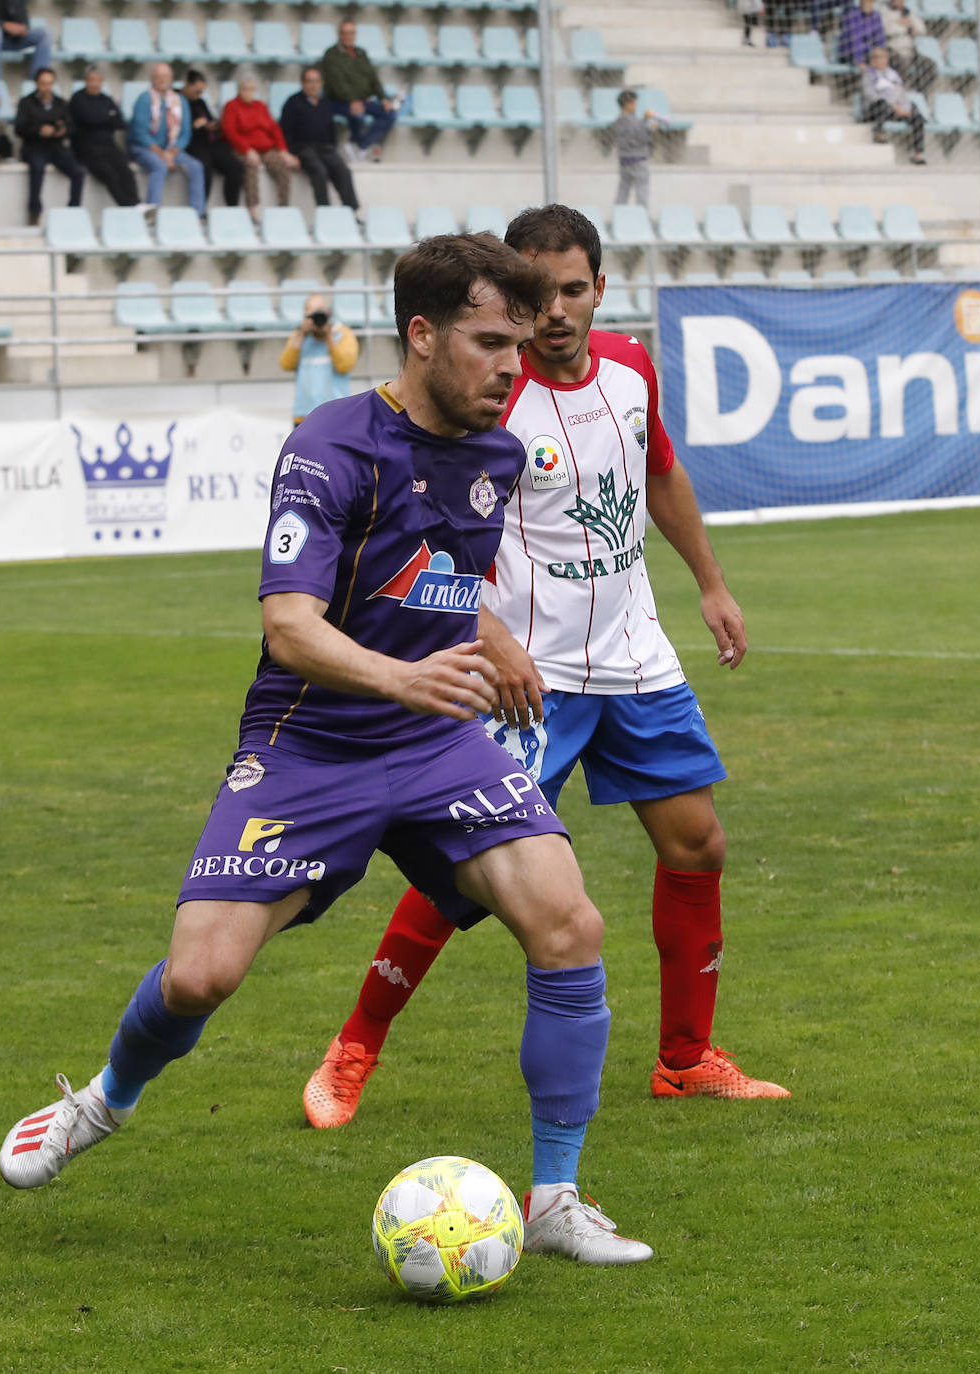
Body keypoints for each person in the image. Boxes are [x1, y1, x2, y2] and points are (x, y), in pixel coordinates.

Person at [0, 232, 655, 1268]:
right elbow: (290, 626)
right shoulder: (331, 446)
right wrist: (410, 676)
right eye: (489, 343)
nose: (509, 369)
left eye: (520, 346)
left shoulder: (493, 452)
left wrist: (490, 639)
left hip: (436, 741)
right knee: (200, 978)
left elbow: (437, 576)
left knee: (568, 920)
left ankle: (556, 1195)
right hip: (309, 745)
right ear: (423, 334)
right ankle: (100, 1103)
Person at [302, 205, 791, 1134]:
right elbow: (425, 545)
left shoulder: (632, 367)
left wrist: (711, 584)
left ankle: (685, 1060)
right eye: (535, 292)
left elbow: (658, 475)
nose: (554, 310)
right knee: (460, 878)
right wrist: (493, 639)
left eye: (571, 289)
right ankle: (355, 1045)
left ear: (599, 290)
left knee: (698, 846)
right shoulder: (485, 394)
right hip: (530, 675)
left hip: (636, 656)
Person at [127, 63, 206, 216]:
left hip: (171, 149)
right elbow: (140, 133)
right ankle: (153, 212)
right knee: (159, 166)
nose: (162, 80)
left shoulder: (180, 101)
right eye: (158, 76)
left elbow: (185, 133)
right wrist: (162, 155)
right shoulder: (144, 99)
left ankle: (198, 213)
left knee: (196, 166)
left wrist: (172, 153)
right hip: (145, 149)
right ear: (152, 79)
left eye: (165, 76)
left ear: (171, 79)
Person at [280, 67, 360, 212]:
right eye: (310, 81)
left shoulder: (325, 103)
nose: (313, 85)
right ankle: (325, 212)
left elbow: (331, 130)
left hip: (325, 147)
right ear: (303, 83)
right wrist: (291, 154)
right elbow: (285, 131)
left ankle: (351, 211)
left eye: (317, 81)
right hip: (302, 147)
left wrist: (333, 148)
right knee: (319, 171)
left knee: (343, 170)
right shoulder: (292, 103)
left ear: (321, 83)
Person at [221, 76, 299, 224]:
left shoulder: (260, 106)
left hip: (266, 148)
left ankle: (284, 206)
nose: (248, 93)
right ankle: (252, 209)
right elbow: (229, 131)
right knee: (250, 165)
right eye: (245, 89)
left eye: (252, 89)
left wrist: (282, 150)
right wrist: (247, 149)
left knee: (282, 166)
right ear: (239, 91)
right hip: (243, 148)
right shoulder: (231, 106)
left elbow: (274, 129)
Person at [14, 67, 84, 226]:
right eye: (43, 84)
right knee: (37, 169)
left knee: (78, 172)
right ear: (37, 83)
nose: (46, 88)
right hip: (34, 146)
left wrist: (61, 131)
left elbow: (71, 127)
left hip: (56, 146)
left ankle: (73, 211)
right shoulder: (26, 103)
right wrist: (39, 131)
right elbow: (19, 128)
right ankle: (34, 212)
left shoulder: (60, 103)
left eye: (50, 84)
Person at [321, 19, 397, 163]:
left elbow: (373, 78)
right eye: (345, 33)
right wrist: (353, 100)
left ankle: (361, 145)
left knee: (389, 113)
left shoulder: (361, 53)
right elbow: (338, 83)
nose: (349, 36)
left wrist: (383, 98)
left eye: (352, 33)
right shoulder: (331, 55)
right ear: (339, 35)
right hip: (338, 101)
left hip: (362, 100)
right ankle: (357, 145)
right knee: (357, 113)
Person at [279, 293, 359, 425]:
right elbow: (286, 364)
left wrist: (328, 337)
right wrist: (302, 334)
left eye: (320, 312)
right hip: (304, 416)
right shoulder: (299, 337)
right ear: (306, 316)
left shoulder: (343, 334)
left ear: (328, 312)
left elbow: (345, 366)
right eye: (312, 314)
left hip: (336, 415)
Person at [69, 68, 138, 208]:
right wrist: (107, 117)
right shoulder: (78, 99)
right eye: (92, 80)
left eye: (98, 81)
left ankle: (137, 204)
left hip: (108, 146)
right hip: (87, 148)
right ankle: (128, 206)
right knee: (109, 174)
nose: (95, 84)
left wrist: (100, 118)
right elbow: (90, 119)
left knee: (126, 170)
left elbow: (119, 122)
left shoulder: (106, 99)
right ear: (86, 81)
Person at [181, 70, 244, 209]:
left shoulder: (200, 102)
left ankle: (232, 207)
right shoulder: (178, 100)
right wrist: (195, 126)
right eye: (196, 91)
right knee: (204, 167)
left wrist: (213, 125)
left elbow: (210, 119)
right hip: (191, 143)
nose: (199, 95)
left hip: (209, 142)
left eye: (201, 92)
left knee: (234, 166)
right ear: (187, 85)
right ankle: (201, 209)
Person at [862, 45, 926, 164]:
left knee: (916, 115)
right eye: (877, 58)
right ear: (872, 61)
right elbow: (871, 95)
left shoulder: (893, 74)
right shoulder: (869, 75)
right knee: (882, 104)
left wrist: (905, 109)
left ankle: (918, 154)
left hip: (895, 110)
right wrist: (892, 105)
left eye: (883, 57)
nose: (881, 60)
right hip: (877, 109)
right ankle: (879, 133)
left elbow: (901, 93)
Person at [0, 0, 52, 80]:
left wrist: (23, 27)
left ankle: (39, 82)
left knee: (45, 33)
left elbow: (23, 17)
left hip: (14, 39)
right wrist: (4, 25)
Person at [612, 91, 661, 209]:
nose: (635, 106)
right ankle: (642, 215)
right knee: (642, 192)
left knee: (623, 190)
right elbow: (641, 138)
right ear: (627, 104)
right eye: (634, 103)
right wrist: (649, 127)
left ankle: (618, 213)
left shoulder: (618, 121)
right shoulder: (633, 121)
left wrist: (643, 123)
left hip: (624, 160)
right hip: (638, 160)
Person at [838, 0, 886, 67]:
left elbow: (880, 39)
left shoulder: (876, 16)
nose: (868, 3)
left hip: (869, 53)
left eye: (870, 1)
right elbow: (854, 40)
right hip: (851, 54)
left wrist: (881, 54)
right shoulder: (852, 15)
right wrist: (859, 60)